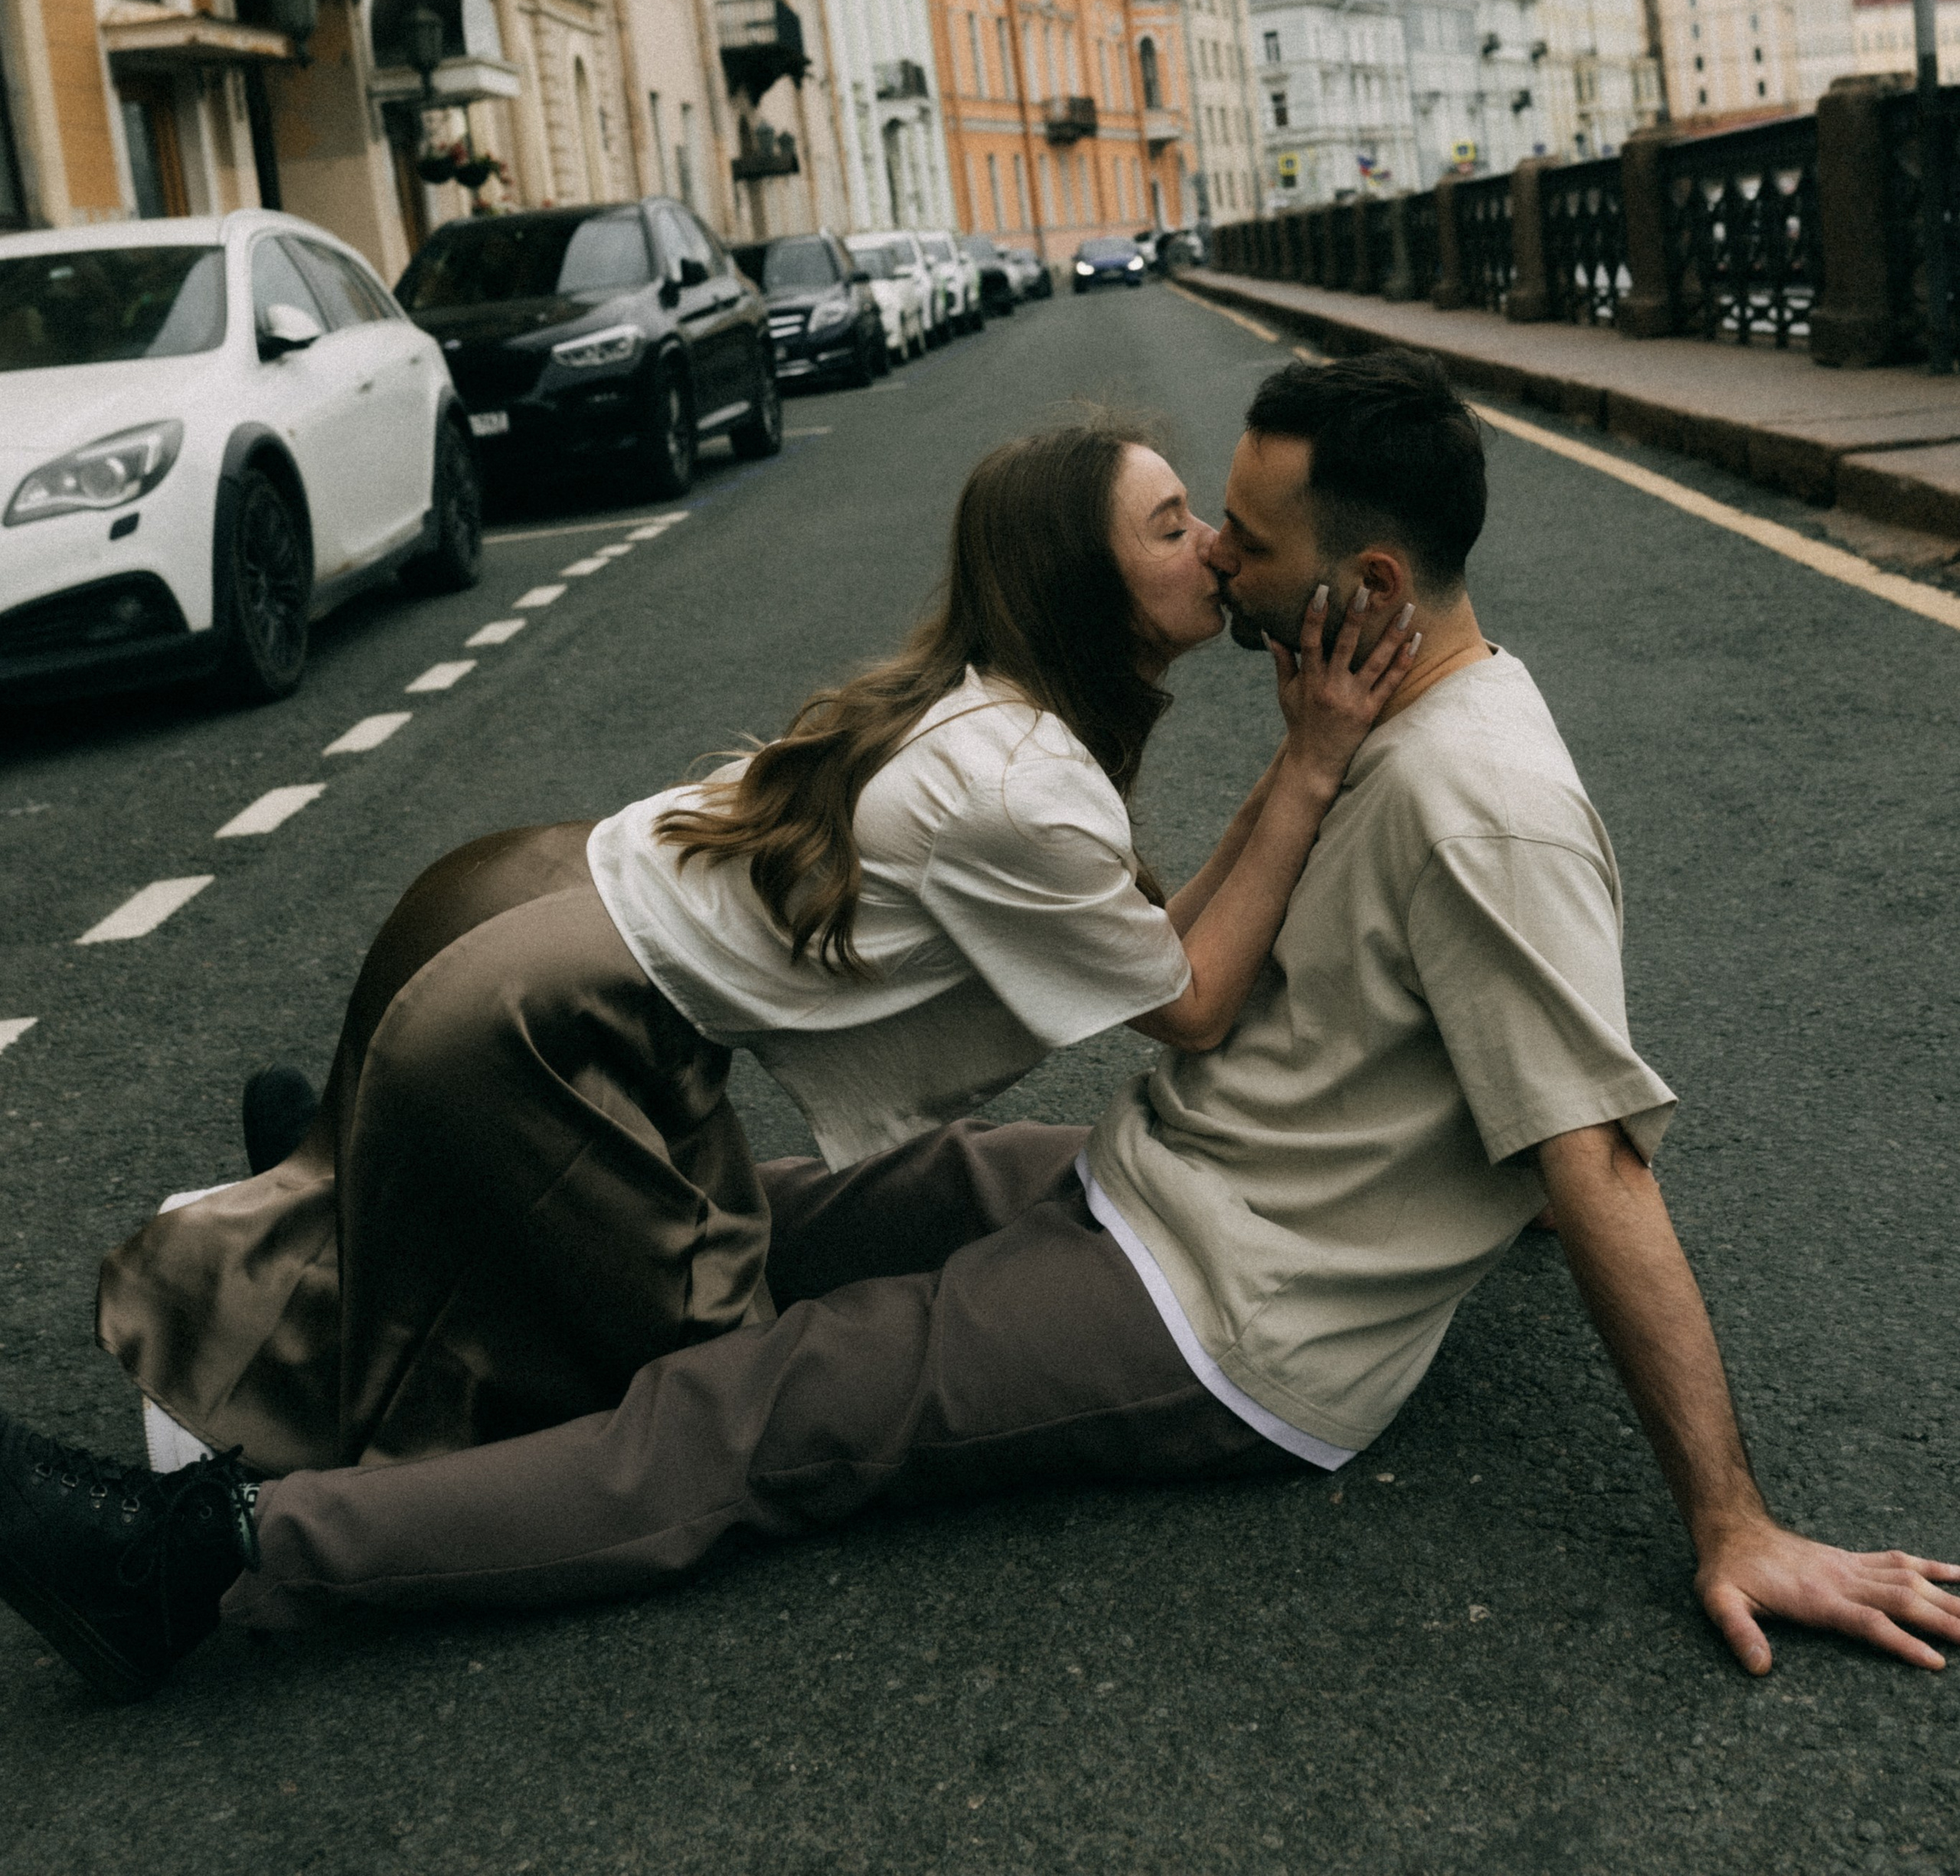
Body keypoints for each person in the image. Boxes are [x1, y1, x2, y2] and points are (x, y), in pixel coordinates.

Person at [5, 353, 1953, 1704]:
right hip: (1173, 1172)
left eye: (1243, 536)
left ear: (1362, 580)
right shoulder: (1367, 703)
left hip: (1230, 1312)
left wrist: (1733, 1518)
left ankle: (220, 1555)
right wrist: (1477, 1181)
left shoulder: (1480, 802)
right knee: (766, 1214)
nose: (1220, 564)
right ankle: (380, 1209)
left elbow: (1589, 1147)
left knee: (762, 1401)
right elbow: (1398, 1026)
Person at [83, 417, 1414, 1500]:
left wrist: (1291, 762)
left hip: (511, 905)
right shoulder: (1019, 786)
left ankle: (366, 1161)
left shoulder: (988, 711)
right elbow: (1192, 1005)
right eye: (1172, 526)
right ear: (1083, 579)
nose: (1216, 549)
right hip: (540, 1014)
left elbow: (1147, 953)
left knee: (628, 1262)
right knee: (695, 1377)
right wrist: (1310, 765)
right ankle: (221, 1410)